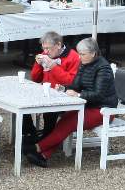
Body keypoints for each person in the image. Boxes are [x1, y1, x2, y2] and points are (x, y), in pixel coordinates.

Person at [28, 37, 116, 167]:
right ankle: (43, 155)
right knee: (65, 119)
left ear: (93, 53)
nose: (79, 57)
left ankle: (36, 148)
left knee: (70, 122)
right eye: (79, 53)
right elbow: (76, 84)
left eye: (82, 54)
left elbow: (99, 94)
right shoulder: (84, 63)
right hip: (88, 105)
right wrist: (65, 88)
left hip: (103, 109)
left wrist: (79, 94)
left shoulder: (104, 68)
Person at [26, 30, 81, 147]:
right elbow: (35, 78)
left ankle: (45, 141)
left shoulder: (73, 57)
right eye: (44, 48)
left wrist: (53, 66)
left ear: (59, 45)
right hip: (47, 93)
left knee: (49, 111)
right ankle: (30, 133)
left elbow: (70, 82)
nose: (45, 51)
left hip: (65, 95)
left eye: (48, 48)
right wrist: (37, 64)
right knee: (22, 102)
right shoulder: (47, 54)